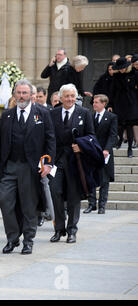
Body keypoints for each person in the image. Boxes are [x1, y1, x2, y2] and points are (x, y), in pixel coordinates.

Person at [0, 79, 55, 255]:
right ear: (14, 95)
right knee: (5, 202)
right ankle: (12, 238)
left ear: (31, 95)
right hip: (9, 167)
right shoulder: (7, 116)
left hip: (30, 168)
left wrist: (48, 163)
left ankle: (28, 240)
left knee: (29, 206)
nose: (21, 96)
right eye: (18, 93)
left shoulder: (42, 113)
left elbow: (50, 139)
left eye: (24, 93)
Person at [49, 84, 95, 244]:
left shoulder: (84, 113)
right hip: (57, 161)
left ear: (76, 98)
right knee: (55, 193)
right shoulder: (53, 113)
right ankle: (58, 229)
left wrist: (81, 145)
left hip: (76, 162)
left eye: (72, 96)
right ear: (61, 98)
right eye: (66, 96)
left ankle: (71, 231)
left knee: (74, 197)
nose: (69, 99)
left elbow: (91, 136)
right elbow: (48, 136)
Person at [84, 95, 118, 215]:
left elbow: (113, 135)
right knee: (91, 179)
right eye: (93, 102)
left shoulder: (111, 117)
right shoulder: (91, 117)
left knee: (104, 180)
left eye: (97, 102)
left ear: (104, 104)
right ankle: (91, 204)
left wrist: (107, 149)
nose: (94, 104)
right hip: (92, 153)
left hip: (104, 153)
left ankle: (102, 206)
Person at [110, 57, 138, 158]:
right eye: (120, 68)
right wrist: (110, 105)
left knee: (130, 126)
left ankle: (130, 148)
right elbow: (112, 91)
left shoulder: (134, 74)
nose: (121, 69)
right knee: (120, 125)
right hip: (119, 103)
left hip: (131, 102)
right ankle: (120, 140)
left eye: (123, 68)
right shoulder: (116, 76)